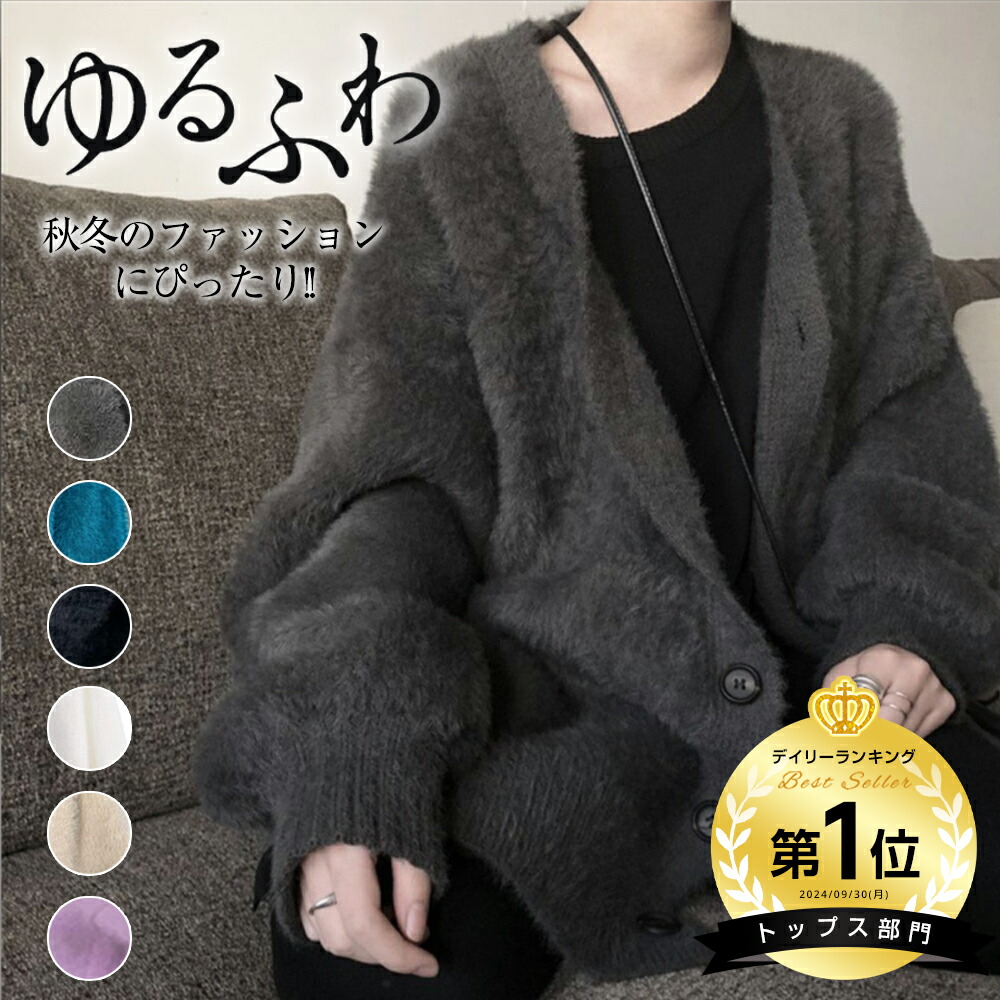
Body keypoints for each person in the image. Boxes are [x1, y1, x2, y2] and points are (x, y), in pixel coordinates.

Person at [193, 2, 1000, 996]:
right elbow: (398, 483)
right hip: (550, 721)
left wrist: (903, 621)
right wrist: (355, 735)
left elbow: (906, 416)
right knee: (371, 966)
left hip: (827, 704)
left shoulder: (839, 116)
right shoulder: (455, 125)